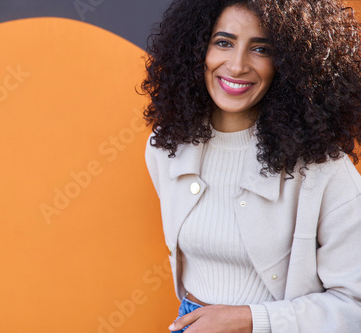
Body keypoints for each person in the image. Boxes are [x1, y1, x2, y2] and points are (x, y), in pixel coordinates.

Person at [141, 0, 361, 332]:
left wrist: (250, 319)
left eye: (261, 49)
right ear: (197, 48)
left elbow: (354, 308)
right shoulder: (167, 147)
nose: (237, 65)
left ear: (288, 63)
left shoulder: (325, 170)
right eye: (223, 42)